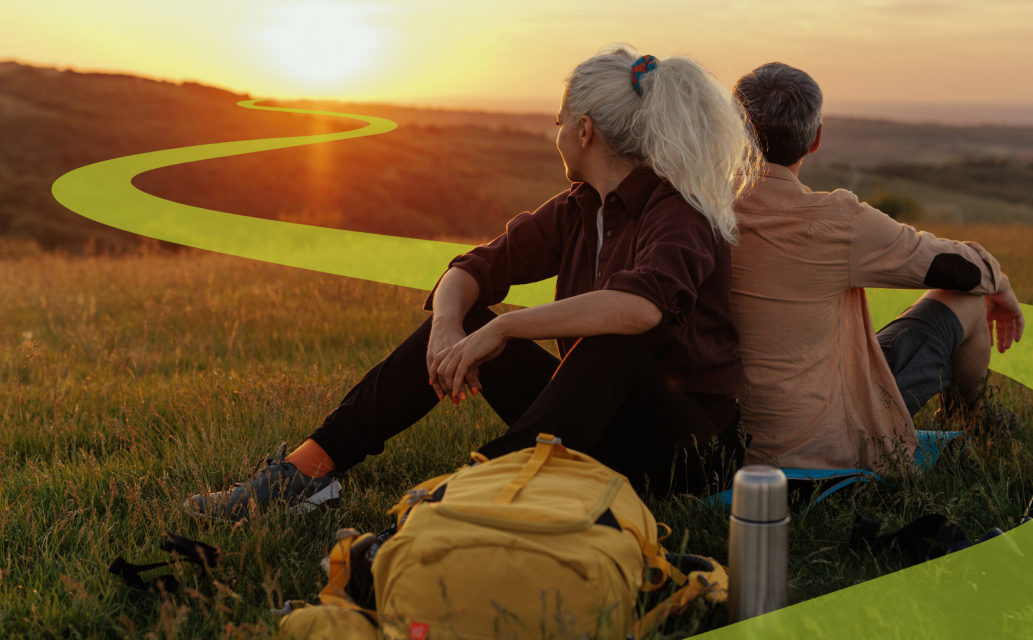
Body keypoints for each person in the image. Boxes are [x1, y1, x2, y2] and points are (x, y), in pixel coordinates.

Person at [183, 44, 762, 521]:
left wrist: (506, 328)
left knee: (608, 344)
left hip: (686, 450)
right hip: (596, 425)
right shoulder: (579, 208)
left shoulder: (678, 208)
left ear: (584, 131)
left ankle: (468, 495)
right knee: (474, 319)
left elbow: (638, 309)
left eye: (559, 123)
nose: (554, 133)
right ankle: (305, 473)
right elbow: (474, 268)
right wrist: (449, 328)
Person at [727, 62, 1026, 475]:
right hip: (829, 443)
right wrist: (1001, 285)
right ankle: (974, 418)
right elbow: (957, 270)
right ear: (815, 140)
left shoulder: (700, 208)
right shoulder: (837, 221)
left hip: (733, 441)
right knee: (968, 300)